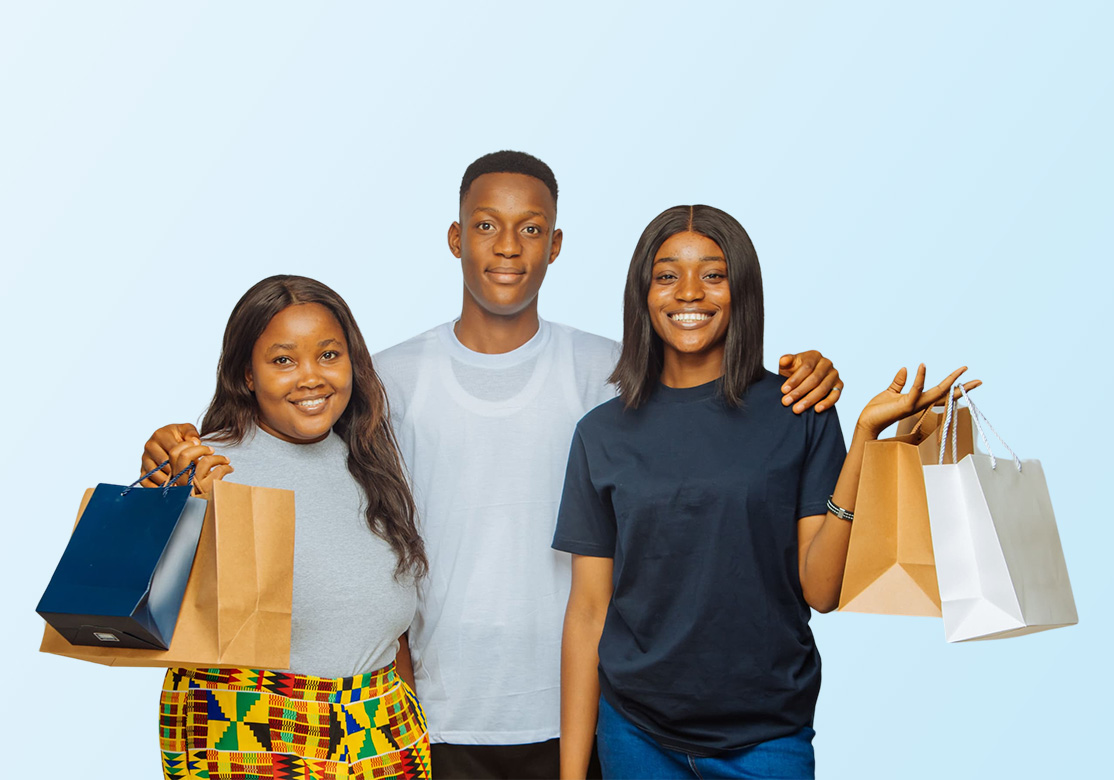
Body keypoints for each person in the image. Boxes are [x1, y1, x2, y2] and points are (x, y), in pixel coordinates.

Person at [141, 152, 844, 779]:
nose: (508, 246)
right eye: (485, 226)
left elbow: (706, 381)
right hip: (430, 717)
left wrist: (801, 373)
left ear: (556, 244)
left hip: (582, 708)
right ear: (455, 237)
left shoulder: (611, 374)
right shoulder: (386, 383)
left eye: (531, 228)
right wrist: (169, 455)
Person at [553, 205, 978, 779]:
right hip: (635, 736)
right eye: (666, 274)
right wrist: (573, 774)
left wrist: (862, 440)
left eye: (713, 273)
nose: (689, 293)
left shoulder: (797, 410)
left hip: (767, 740)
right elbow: (587, 612)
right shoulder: (599, 435)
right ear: (643, 293)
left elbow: (821, 591)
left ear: (741, 290)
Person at [157, 275, 431, 780]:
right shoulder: (210, 466)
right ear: (246, 374)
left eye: (329, 354)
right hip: (247, 721)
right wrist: (174, 500)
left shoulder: (373, 459)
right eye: (283, 360)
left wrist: (409, 715)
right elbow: (155, 604)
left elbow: (393, 628)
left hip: (383, 724)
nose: (311, 377)